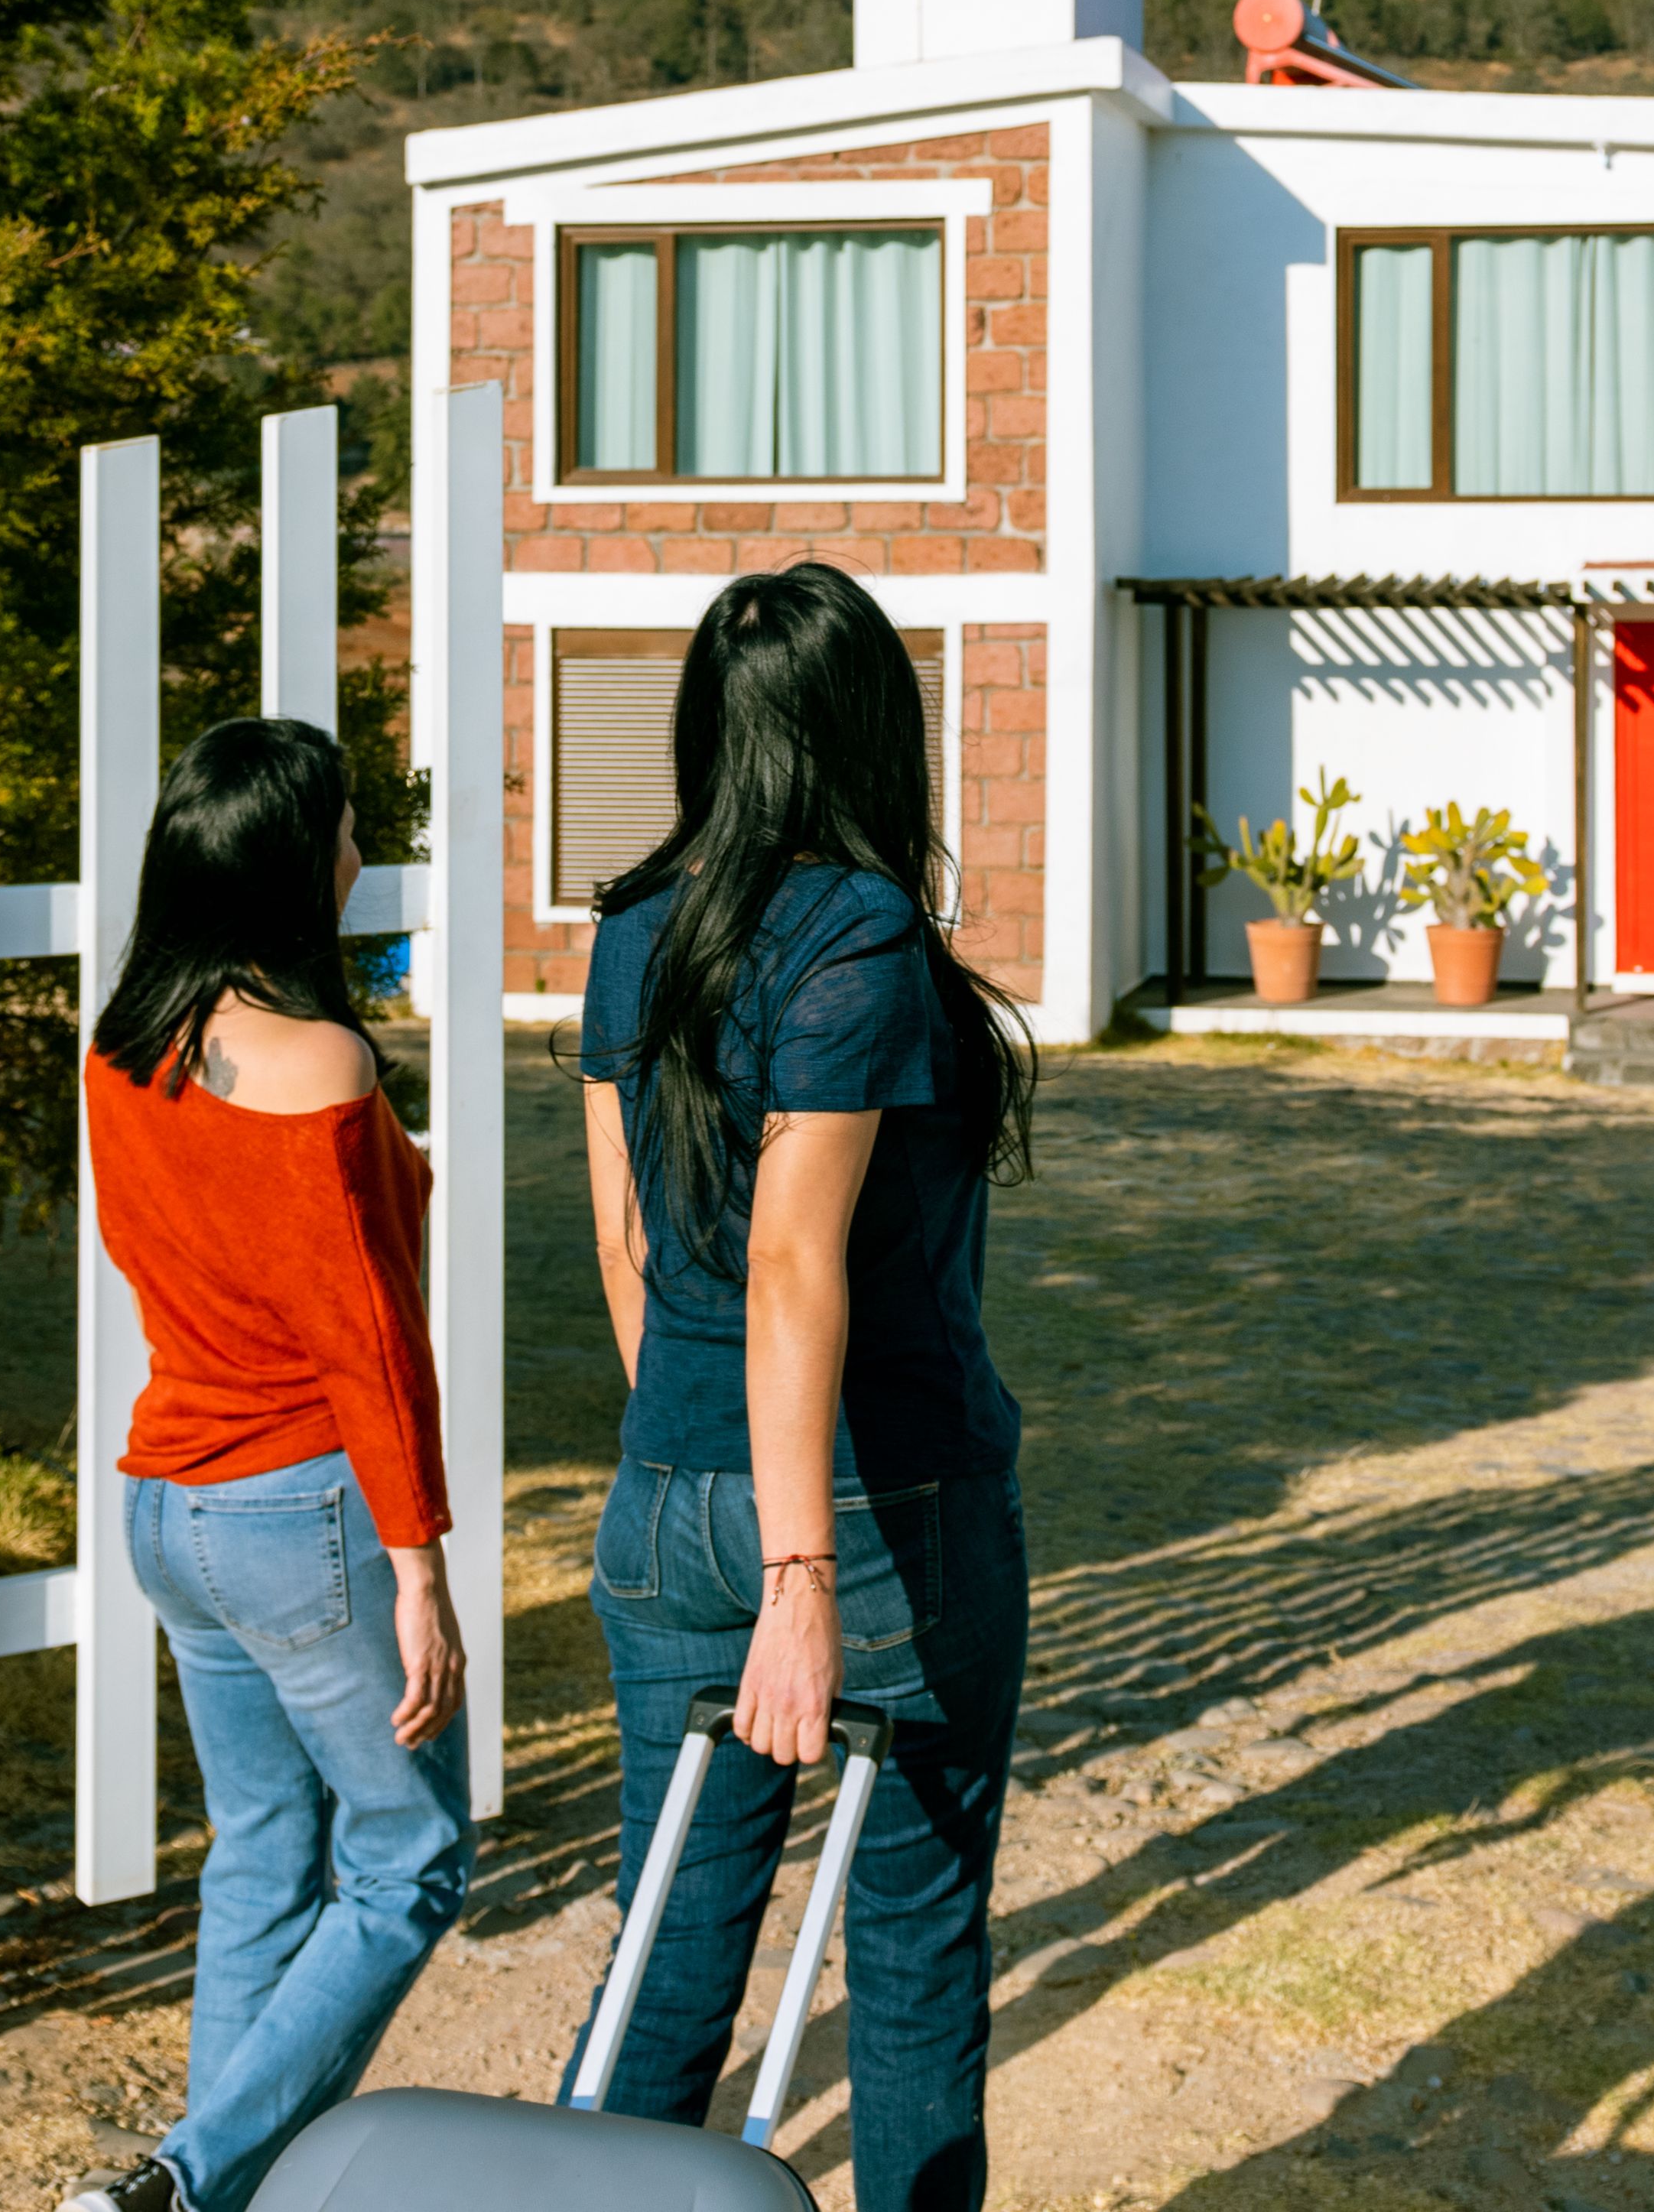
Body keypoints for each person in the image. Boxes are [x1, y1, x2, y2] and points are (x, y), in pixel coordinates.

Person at [567, 560, 1035, 2212]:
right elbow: (789, 1258)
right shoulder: (861, 934)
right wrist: (798, 1570)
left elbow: (623, 1235)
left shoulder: (634, 922)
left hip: (669, 1493)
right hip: (872, 1517)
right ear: (869, 735)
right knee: (908, 1942)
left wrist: (691, 1456)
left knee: (667, 1954)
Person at [66, 719, 468, 2212]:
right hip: (300, 1504)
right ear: (290, 864)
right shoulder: (323, 1065)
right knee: (410, 1857)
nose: (362, 852)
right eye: (348, 828)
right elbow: (368, 1345)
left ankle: (196, 2204)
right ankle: (186, 2175)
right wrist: (420, 1571)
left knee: (262, 1850)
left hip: (166, 1498)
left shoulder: (125, 1049)